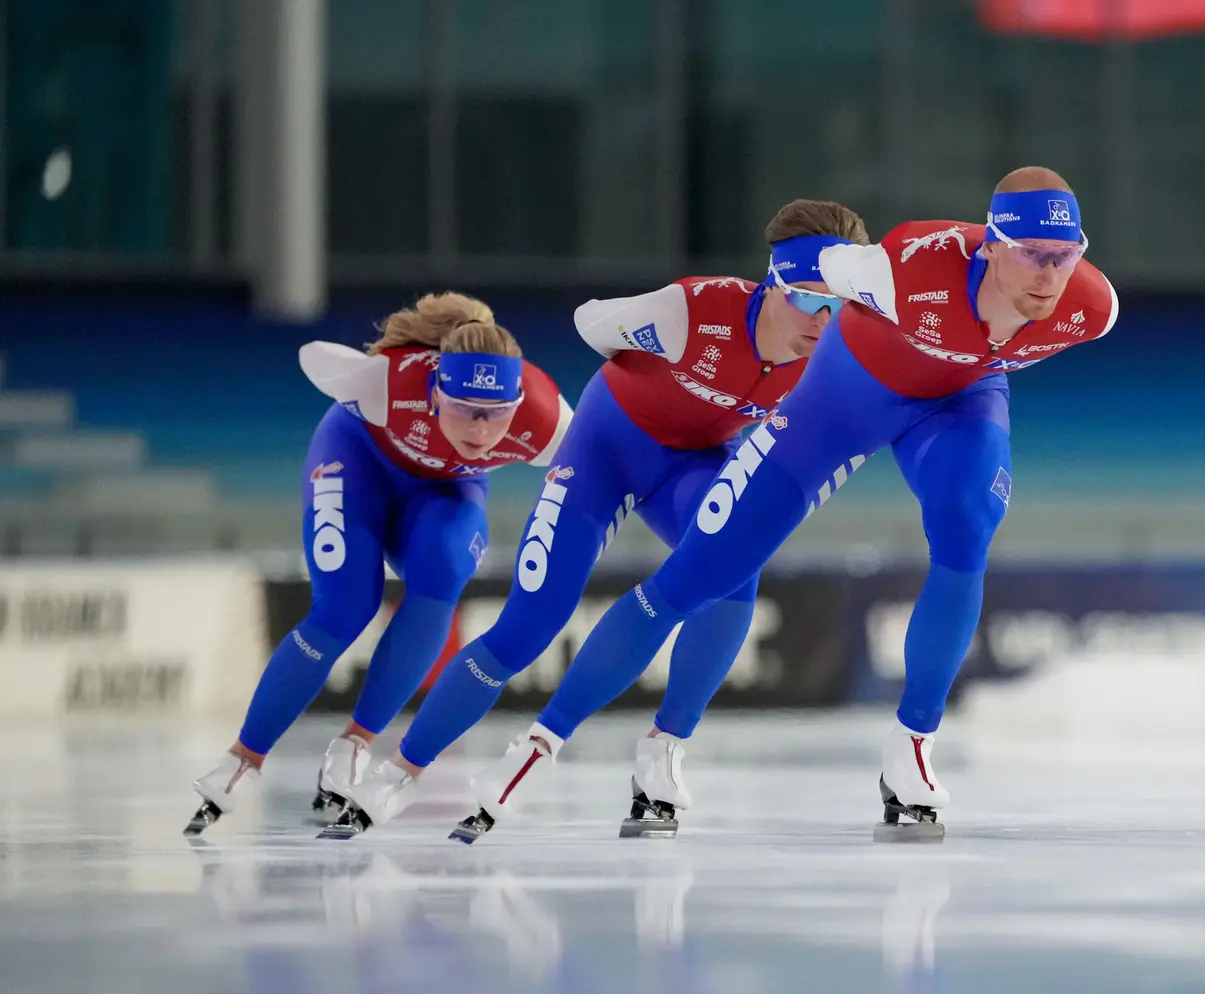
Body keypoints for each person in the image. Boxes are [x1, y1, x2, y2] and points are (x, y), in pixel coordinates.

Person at [457, 167, 1117, 842]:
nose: (1048, 274)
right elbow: (823, 262)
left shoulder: (1090, 308)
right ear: (990, 245)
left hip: (959, 404)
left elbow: (1034, 319)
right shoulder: (904, 271)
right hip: (840, 402)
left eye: (1063, 257)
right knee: (695, 578)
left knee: (967, 521)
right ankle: (539, 749)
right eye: (1033, 254)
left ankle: (912, 746)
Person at [324, 199, 870, 840]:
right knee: (529, 625)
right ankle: (401, 771)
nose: (824, 320)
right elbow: (590, 323)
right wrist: (635, 346)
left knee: (732, 572)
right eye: (809, 300)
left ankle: (662, 752)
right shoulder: (691, 313)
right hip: (604, 453)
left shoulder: (836, 356)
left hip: (691, 468)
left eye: (840, 304)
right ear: (773, 281)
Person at [184, 293, 571, 835]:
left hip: (447, 489)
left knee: (443, 573)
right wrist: (371, 369)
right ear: (435, 391)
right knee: (345, 606)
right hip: (356, 460)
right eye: (464, 410)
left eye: (497, 416)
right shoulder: (385, 382)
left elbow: (603, 466)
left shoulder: (549, 420)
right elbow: (312, 356)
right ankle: (241, 759)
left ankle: (355, 745)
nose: (482, 432)